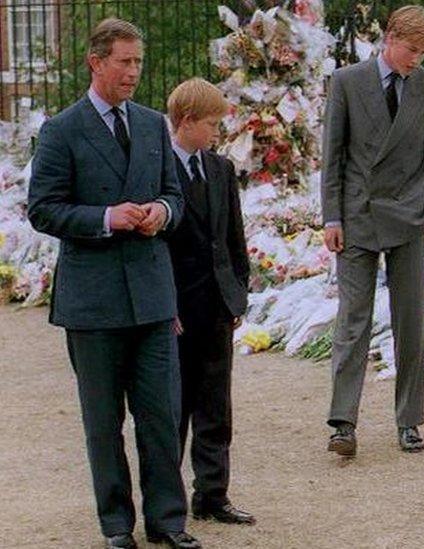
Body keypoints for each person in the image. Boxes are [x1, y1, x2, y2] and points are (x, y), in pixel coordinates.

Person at [27, 18, 201, 549]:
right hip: (93, 302)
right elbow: (43, 209)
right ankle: (116, 525)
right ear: (96, 62)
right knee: (103, 423)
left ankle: (169, 522)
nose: (133, 73)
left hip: (151, 297)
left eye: (138, 63)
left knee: (161, 416)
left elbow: (176, 196)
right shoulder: (62, 130)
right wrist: (107, 217)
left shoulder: (152, 125)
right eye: (124, 62)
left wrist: (158, 212)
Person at [321, 4, 424, 456]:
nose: (417, 59)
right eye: (412, 49)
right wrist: (332, 218)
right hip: (357, 215)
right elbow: (333, 156)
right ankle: (343, 423)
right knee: (352, 321)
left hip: (411, 217)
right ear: (390, 38)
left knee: (411, 321)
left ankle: (409, 421)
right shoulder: (346, 82)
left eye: (423, 52)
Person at [164, 78, 253, 526]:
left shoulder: (219, 169)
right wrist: (165, 307)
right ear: (187, 121)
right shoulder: (160, 171)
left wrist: (239, 289)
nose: (218, 132)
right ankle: (169, 500)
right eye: (213, 123)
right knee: (174, 407)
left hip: (217, 304)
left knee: (216, 404)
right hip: (177, 309)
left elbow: (234, 237)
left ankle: (213, 494)